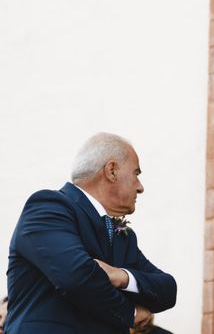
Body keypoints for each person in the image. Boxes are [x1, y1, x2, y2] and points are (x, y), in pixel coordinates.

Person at [4, 133, 177, 333]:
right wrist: (130, 313)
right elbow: (76, 275)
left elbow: (168, 290)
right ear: (112, 171)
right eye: (136, 174)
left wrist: (121, 276)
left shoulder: (123, 235)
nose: (140, 187)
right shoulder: (48, 207)